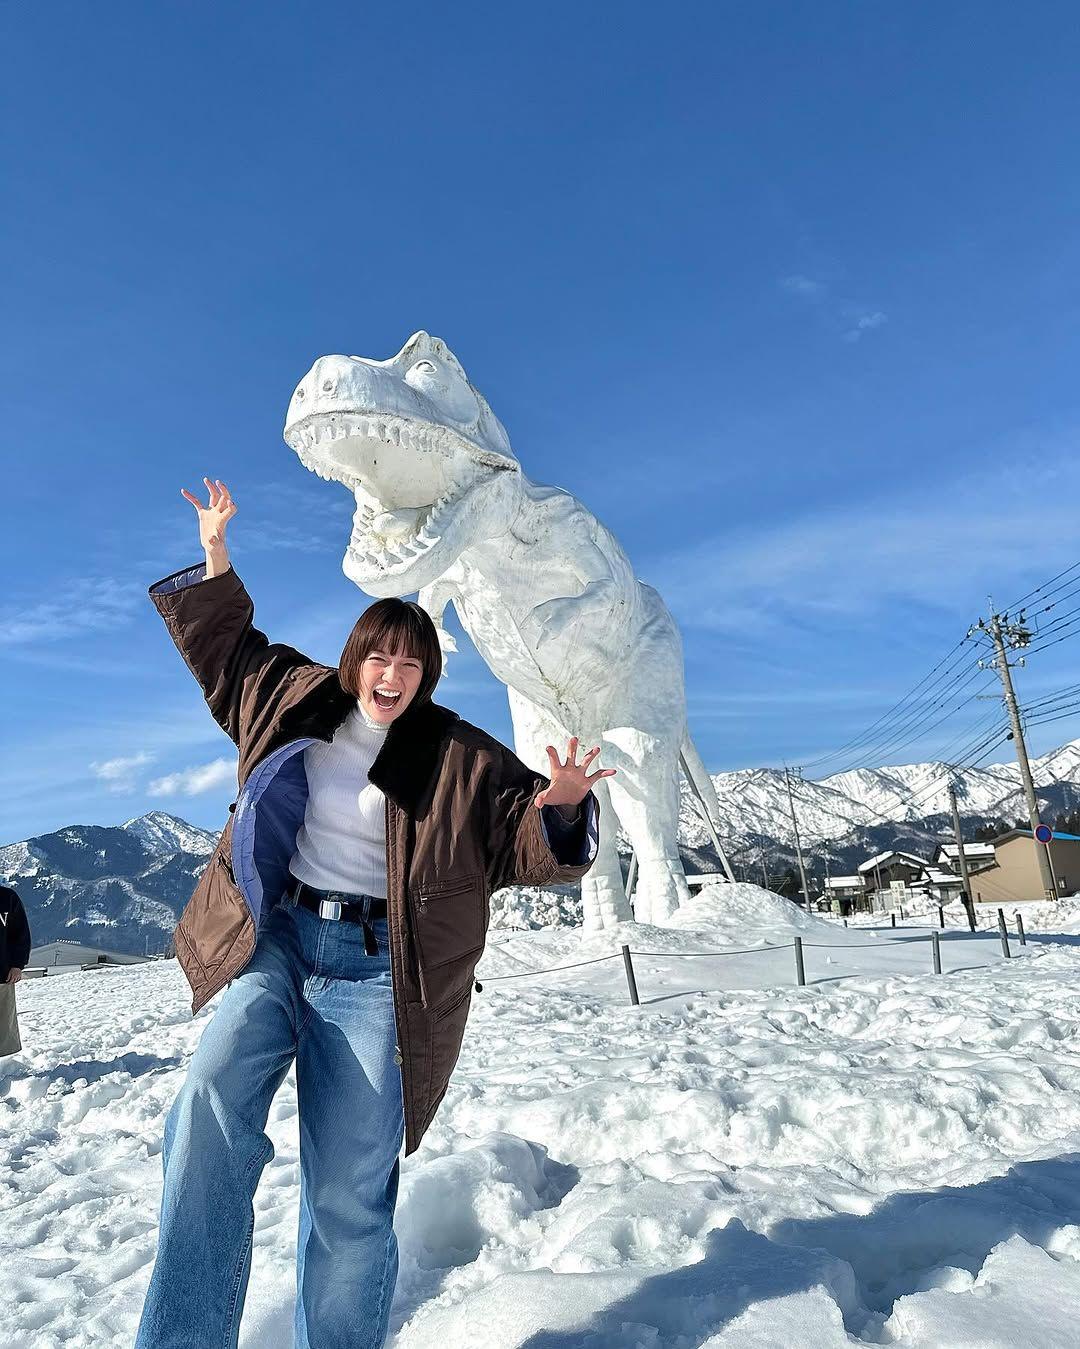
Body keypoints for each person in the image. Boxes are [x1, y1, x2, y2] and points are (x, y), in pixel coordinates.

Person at [135, 478, 611, 1349]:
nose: (393, 675)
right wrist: (215, 558)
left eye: (412, 661)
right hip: (276, 941)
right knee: (206, 1103)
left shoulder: (458, 754)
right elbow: (227, 651)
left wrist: (562, 807)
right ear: (356, 659)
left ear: (426, 673)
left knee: (348, 1198)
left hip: (374, 968)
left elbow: (522, 840)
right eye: (380, 657)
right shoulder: (292, 693)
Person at [0, 884, 32, 1056]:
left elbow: (20, 933)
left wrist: (18, 964)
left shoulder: (7, 897)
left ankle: (4, 1067)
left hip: (2, 974)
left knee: (3, 1024)